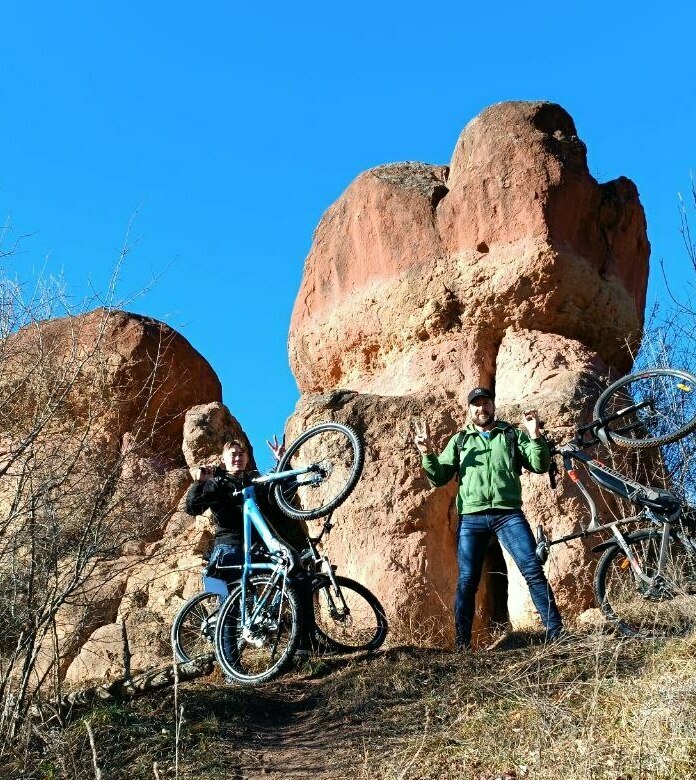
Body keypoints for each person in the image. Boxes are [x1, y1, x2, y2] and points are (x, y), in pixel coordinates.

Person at [414, 387, 564, 648]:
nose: (481, 408)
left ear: (493, 406)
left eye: (486, 403)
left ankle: (556, 633)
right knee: (467, 581)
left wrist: (534, 435)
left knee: (532, 570)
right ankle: (462, 645)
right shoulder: (460, 440)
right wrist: (427, 453)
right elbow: (438, 477)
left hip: (508, 514)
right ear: (469, 409)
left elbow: (539, 465)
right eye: (476, 405)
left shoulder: (511, 434)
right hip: (471, 518)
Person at [184, 433, 315, 651]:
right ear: (223, 460)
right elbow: (192, 508)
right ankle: (230, 662)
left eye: (241, 454)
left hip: (256, 549)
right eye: (233, 454)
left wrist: (282, 461)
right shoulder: (217, 484)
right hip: (230, 548)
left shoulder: (254, 483)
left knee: (299, 578)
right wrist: (201, 481)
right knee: (230, 604)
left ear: (246, 458)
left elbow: (284, 491)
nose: (238, 457)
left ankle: (305, 644)